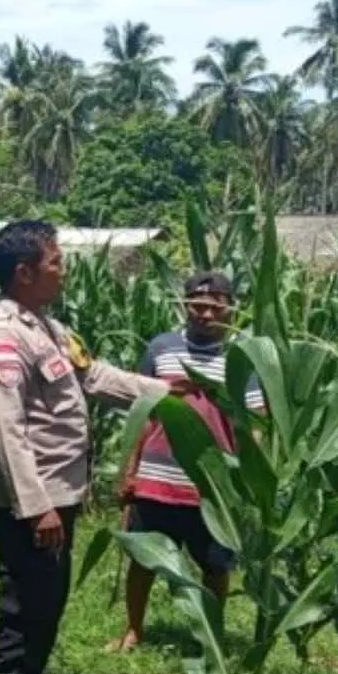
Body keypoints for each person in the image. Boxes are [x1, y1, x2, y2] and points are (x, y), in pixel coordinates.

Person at [0, 220, 171, 674]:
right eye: (56, 262)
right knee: (26, 604)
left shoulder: (46, 328)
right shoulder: (2, 338)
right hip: (30, 501)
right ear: (24, 272)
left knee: (47, 600)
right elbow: (6, 430)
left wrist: (167, 393)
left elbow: (94, 376)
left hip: (58, 494)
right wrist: (36, 509)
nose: (63, 272)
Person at [111, 271, 258, 653]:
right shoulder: (161, 348)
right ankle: (134, 630)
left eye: (215, 306)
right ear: (185, 306)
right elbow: (140, 413)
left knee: (215, 565)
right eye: (197, 305)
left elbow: (256, 425)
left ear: (230, 308)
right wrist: (129, 472)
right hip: (156, 479)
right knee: (143, 560)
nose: (205, 314)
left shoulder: (244, 359)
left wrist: (248, 480)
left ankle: (209, 636)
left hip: (212, 486)